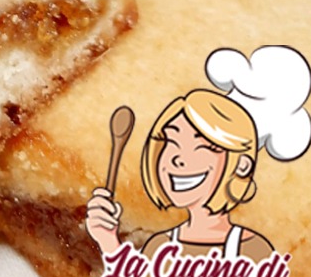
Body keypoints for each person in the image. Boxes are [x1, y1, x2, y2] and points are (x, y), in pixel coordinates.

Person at [87, 88, 275, 261]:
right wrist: (108, 241)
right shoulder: (159, 244)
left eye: (202, 146)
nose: (178, 158)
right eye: (171, 140)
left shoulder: (253, 251)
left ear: (241, 165)